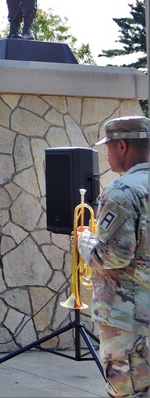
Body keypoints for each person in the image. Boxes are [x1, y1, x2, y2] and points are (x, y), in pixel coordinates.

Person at [77, 116, 149, 398]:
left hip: (127, 321)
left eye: (108, 147)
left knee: (129, 392)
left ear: (122, 146)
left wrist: (84, 240)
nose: (106, 154)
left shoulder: (121, 191)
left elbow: (113, 255)